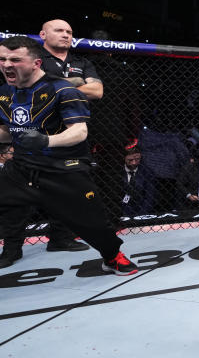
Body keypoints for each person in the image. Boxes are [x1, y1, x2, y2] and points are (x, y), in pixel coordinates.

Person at [0, 36, 138, 274]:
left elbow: (79, 131)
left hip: (63, 168)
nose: (7, 64)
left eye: (15, 59)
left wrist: (46, 140)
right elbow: (6, 130)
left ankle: (112, 255)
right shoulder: (5, 92)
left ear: (36, 63)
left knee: (92, 221)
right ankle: (11, 250)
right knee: (8, 208)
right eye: (2, 59)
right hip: (22, 167)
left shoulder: (63, 90)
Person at [3, 18, 103, 253]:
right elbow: (23, 87)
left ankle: (61, 239)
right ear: (43, 35)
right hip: (30, 136)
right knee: (17, 198)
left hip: (70, 135)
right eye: (59, 30)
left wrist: (52, 86)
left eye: (69, 31)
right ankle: (11, 247)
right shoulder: (28, 59)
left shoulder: (82, 61)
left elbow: (97, 91)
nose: (66, 35)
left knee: (68, 195)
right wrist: (75, 83)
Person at [119, 147, 156, 217]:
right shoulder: (117, 172)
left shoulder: (147, 172)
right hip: (120, 210)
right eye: (130, 160)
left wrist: (141, 215)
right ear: (124, 158)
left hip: (142, 210)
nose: (134, 163)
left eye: (137, 159)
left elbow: (149, 197)